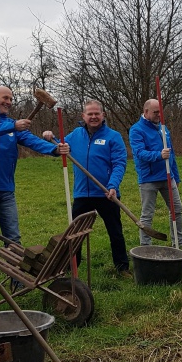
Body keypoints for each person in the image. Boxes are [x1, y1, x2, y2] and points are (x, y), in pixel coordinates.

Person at [0, 86, 59, 292]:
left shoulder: (12, 126)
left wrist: (54, 149)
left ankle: (16, 280)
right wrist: (12, 127)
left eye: (11, 99)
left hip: (5, 192)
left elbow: (32, 141)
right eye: (4, 98)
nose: (8, 101)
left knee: (12, 238)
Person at [44, 100, 130, 276]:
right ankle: (72, 265)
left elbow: (119, 164)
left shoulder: (113, 137)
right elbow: (59, 146)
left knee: (115, 232)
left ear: (103, 115)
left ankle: (122, 267)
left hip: (107, 193)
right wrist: (49, 137)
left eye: (96, 113)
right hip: (82, 193)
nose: (93, 117)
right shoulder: (76, 135)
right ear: (83, 116)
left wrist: (113, 186)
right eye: (89, 114)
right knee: (75, 233)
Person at [128, 98, 182, 247]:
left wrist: (175, 176)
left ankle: (178, 242)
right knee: (147, 215)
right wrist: (159, 155)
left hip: (168, 177)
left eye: (160, 111)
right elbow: (139, 153)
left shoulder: (164, 128)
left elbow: (172, 155)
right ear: (146, 112)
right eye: (155, 112)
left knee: (177, 210)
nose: (159, 115)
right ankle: (145, 246)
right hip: (148, 179)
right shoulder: (136, 130)